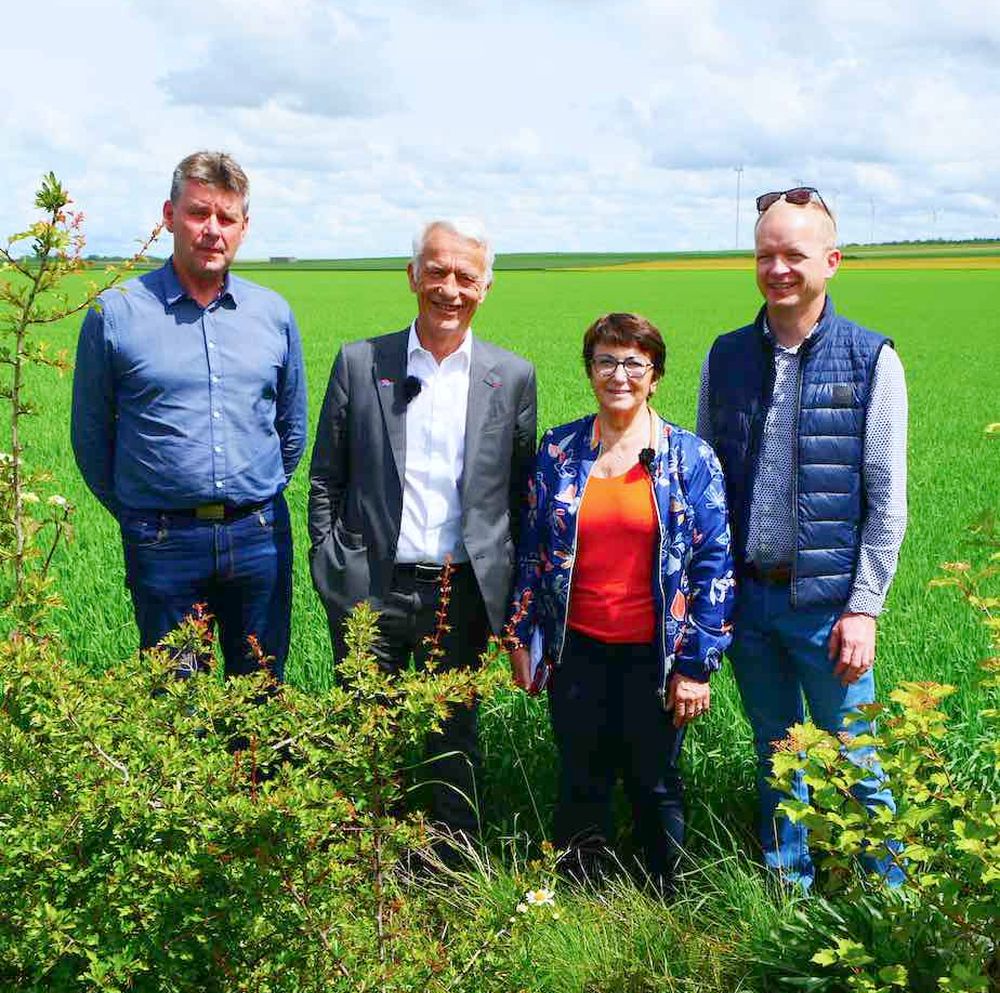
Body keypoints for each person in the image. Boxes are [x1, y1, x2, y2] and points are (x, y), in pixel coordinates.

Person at [697, 187, 908, 890]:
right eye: (765, 253)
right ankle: (791, 895)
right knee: (777, 754)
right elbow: (706, 483)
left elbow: (887, 500)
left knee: (857, 757)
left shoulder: (870, 358)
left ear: (832, 260)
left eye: (794, 253)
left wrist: (865, 606)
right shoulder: (725, 356)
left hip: (827, 608)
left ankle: (893, 904)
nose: (778, 267)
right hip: (750, 602)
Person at [308, 217, 537, 842]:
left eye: (466, 275)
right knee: (362, 733)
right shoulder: (361, 362)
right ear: (412, 275)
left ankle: (451, 874)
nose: (449, 288)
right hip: (368, 587)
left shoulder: (510, 376)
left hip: (458, 592)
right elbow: (325, 476)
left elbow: (519, 494)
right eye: (436, 271)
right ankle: (357, 870)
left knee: (453, 736)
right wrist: (332, 565)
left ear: (485, 287)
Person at [509, 312, 734, 891]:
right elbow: (531, 550)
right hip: (576, 648)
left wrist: (695, 667)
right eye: (606, 361)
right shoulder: (559, 450)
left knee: (654, 780)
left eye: (634, 363)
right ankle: (583, 896)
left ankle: (665, 900)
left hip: (655, 655)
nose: (619, 375)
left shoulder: (689, 458)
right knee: (582, 775)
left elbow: (714, 567)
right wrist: (519, 635)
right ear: (590, 371)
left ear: (655, 375)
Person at [71, 151, 306, 680]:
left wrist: (253, 494)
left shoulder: (273, 314)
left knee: (261, 696)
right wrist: (147, 513)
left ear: (244, 227)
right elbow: (90, 440)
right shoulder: (116, 314)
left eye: (226, 218)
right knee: (178, 708)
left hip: (258, 537)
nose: (212, 230)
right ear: (169, 215)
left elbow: (292, 430)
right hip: (163, 544)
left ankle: (250, 770)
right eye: (200, 213)